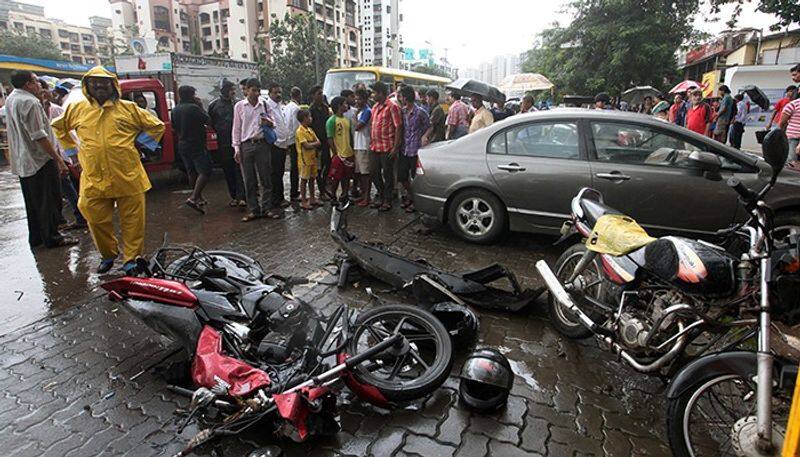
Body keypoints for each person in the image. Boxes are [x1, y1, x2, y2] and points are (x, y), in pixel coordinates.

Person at [52, 66, 164, 273]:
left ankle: (131, 258)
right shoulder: (76, 109)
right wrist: (72, 154)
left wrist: (141, 143)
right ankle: (108, 254)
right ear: (87, 86)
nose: (99, 86)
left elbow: (157, 126)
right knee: (94, 218)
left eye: (103, 82)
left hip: (128, 176)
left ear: (112, 85)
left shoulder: (128, 108)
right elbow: (59, 127)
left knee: (133, 222)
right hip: (94, 178)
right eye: (94, 82)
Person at [6, 70, 78, 250]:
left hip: (24, 161)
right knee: (49, 200)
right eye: (36, 81)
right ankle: (52, 237)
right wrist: (58, 160)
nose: (39, 85)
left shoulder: (12, 99)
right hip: (39, 160)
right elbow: (39, 136)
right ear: (28, 85)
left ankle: (37, 237)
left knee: (33, 202)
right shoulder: (30, 102)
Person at [39, 78, 86, 230]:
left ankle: (80, 216)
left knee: (69, 187)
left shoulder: (57, 110)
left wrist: (72, 155)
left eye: (43, 88)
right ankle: (70, 217)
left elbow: (69, 134)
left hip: (61, 155)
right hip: (50, 155)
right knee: (63, 189)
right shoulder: (37, 109)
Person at [232, 78, 279, 222]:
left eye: (258, 90)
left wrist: (269, 122)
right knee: (249, 180)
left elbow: (274, 123)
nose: (256, 93)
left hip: (262, 144)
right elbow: (236, 128)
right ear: (247, 90)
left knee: (265, 178)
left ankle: (266, 209)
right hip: (246, 145)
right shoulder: (240, 106)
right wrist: (236, 148)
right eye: (253, 90)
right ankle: (254, 210)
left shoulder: (264, 105)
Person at [171, 85, 211, 214]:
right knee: (205, 171)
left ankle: (198, 197)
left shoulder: (175, 109)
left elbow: (174, 127)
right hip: (196, 143)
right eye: (194, 94)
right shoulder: (193, 108)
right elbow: (208, 120)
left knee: (191, 171)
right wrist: (200, 106)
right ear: (190, 95)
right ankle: (193, 198)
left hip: (182, 144)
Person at [209, 79, 245, 207]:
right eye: (231, 90)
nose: (233, 93)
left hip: (237, 142)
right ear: (224, 90)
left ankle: (242, 197)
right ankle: (234, 196)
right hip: (223, 143)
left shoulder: (237, 104)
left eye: (234, 90)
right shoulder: (214, 106)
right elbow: (211, 122)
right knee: (228, 170)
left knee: (239, 169)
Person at [369, 81, 403, 211]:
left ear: (381, 93)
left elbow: (398, 126)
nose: (373, 95)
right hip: (374, 146)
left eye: (374, 93)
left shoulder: (392, 106)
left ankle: (387, 200)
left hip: (387, 146)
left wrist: (395, 147)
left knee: (387, 175)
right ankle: (382, 195)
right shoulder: (375, 107)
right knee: (373, 172)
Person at [397, 85, 430, 213]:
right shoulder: (403, 111)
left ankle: (416, 201)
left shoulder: (421, 112)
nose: (400, 98)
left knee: (415, 177)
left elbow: (429, 126)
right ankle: (412, 196)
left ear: (405, 97)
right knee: (402, 176)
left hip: (416, 149)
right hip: (404, 149)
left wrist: (425, 136)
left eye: (401, 96)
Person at [326, 96, 355, 202]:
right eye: (344, 104)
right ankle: (333, 195)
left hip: (348, 152)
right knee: (336, 177)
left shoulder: (346, 120)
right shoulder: (331, 121)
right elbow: (330, 138)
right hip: (339, 154)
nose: (346, 106)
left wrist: (352, 148)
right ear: (339, 106)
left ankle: (345, 194)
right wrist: (335, 153)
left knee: (346, 177)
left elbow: (349, 136)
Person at [295, 109, 321, 210]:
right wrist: (313, 144)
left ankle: (312, 198)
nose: (311, 118)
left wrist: (312, 144)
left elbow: (318, 142)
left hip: (312, 158)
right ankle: (303, 200)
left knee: (312, 178)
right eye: (309, 116)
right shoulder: (300, 131)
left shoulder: (310, 130)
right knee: (304, 180)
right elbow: (306, 145)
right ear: (304, 118)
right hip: (304, 160)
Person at [309, 85, 332, 198]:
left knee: (327, 164)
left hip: (326, 141)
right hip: (316, 143)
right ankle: (321, 191)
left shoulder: (325, 107)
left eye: (322, 93)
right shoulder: (311, 110)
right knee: (317, 168)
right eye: (318, 93)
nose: (321, 95)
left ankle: (325, 185)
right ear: (313, 96)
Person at [353, 88, 372, 207]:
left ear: (365, 99)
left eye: (359, 99)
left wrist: (354, 116)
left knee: (365, 173)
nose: (356, 101)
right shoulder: (361, 111)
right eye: (356, 98)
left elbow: (358, 126)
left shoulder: (366, 111)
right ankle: (363, 195)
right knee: (360, 173)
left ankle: (367, 197)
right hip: (358, 145)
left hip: (364, 145)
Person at [284, 86, 302, 203]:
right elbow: (296, 127)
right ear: (299, 95)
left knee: (293, 166)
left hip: (288, 139)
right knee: (295, 167)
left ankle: (294, 191)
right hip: (294, 140)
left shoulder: (287, 107)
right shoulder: (296, 108)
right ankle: (294, 192)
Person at [779, 96, 800, 162]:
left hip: (794, 138)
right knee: (792, 163)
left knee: (792, 164)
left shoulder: (792, 104)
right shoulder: (793, 104)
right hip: (794, 139)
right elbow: (782, 123)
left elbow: (782, 123)